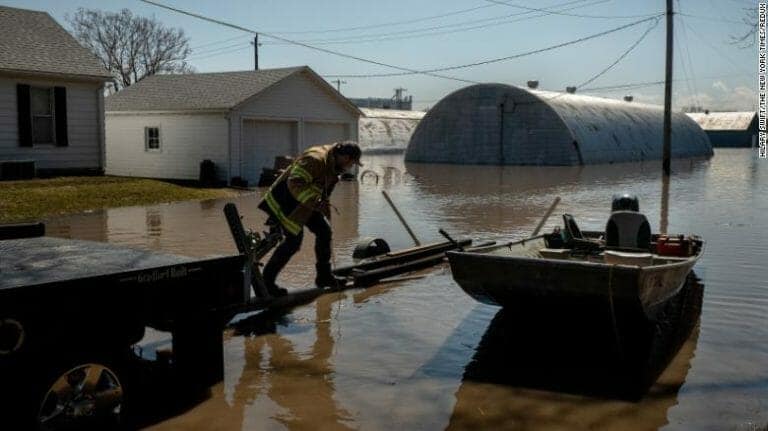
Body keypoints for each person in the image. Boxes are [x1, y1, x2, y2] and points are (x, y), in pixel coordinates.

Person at [258, 141, 362, 296]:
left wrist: (323, 208)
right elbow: (295, 182)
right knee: (293, 242)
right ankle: (266, 283)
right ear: (345, 157)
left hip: (305, 204)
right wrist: (315, 202)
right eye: (352, 163)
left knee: (324, 232)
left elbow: (324, 191)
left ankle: (324, 277)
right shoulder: (315, 159)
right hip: (284, 202)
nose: (350, 166)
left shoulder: (334, 166)